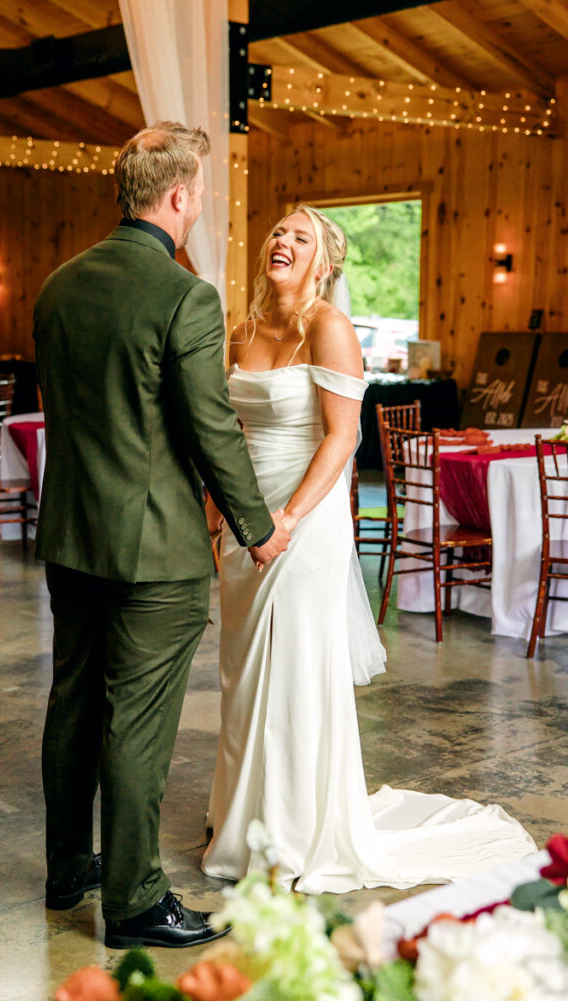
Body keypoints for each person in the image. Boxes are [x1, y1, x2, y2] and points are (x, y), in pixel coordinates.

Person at [202, 205, 536, 893]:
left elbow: (342, 437)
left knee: (292, 669)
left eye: (300, 237)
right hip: (241, 519)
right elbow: (227, 431)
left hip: (303, 517)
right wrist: (219, 516)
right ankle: (243, 820)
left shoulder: (329, 326)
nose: (282, 241)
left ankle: (295, 833)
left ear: (323, 263)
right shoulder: (240, 329)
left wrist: (286, 520)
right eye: (277, 232)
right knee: (241, 677)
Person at [33, 121, 291, 948]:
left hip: (71, 535)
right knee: (136, 720)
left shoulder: (58, 286)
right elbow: (209, 427)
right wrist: (257, 525)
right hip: (154, 549)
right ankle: (137, 901)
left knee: (74, 704)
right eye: (201, 192)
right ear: (180, 195)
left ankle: (71, 865)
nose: (201, 203)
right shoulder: (186, 295)